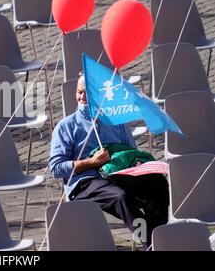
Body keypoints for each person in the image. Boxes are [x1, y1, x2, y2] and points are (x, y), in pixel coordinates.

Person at [49, 74, 169, 250]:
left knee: (158, 184)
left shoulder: (115, 122)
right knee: (120, 196)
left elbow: (131, 152)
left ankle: (159, 238)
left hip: (119, 175)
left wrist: (137, 165)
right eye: (79, 92)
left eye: (87, 93)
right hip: (85, 182)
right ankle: (149, 243)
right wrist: (91, 162)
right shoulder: (66, 126)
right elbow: (56, 168)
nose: (82, 98)